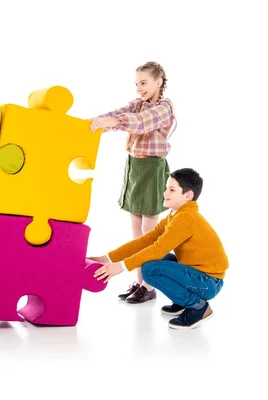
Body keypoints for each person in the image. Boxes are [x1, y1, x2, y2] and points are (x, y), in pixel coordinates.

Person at [88, 168, 228, 330]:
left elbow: (158, 248)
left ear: (187, 195)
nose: (165, 193)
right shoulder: (174, 215)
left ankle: (198, 306)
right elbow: (145, 241)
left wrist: (120, 267)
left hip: (209, 282)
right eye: (166, 188)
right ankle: (184, 302)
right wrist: (107, 259)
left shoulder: (186, 218)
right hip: (199, 276)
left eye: (172, 190)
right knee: (156, 261)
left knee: (150, 269)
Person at [88, 61, 177, 303]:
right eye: (137, 83)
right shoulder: (138, 104)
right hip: (134, 167)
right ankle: (140, 283)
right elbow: (119, 114)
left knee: (149, 234)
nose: (139, 88)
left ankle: (149, 285)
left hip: (151, 168)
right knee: (136, 233)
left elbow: (140, 122)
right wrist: (97, 121)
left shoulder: (163, 107)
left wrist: (115, 123)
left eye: (144, 83)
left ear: (158, 82)